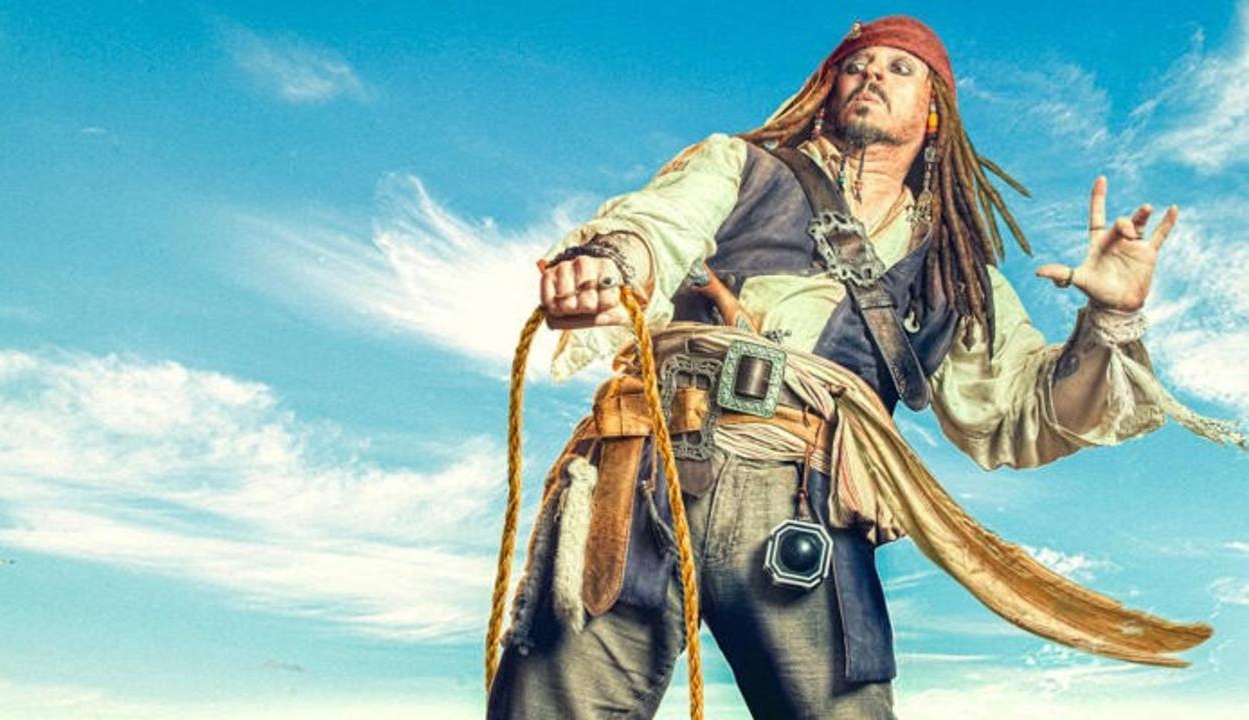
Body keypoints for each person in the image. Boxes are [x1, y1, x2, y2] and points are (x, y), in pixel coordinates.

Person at [485, 14, 1245, 719]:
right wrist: (609, 264)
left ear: (934, 110)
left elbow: (1023, 413)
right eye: (857, 65)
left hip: (808, 501)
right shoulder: (740, 168)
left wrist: (1110, 318)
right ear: (828, 89)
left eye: (900, 68)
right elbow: (654, 228)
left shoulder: (952, 271)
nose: (873, 74)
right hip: (647, 471)